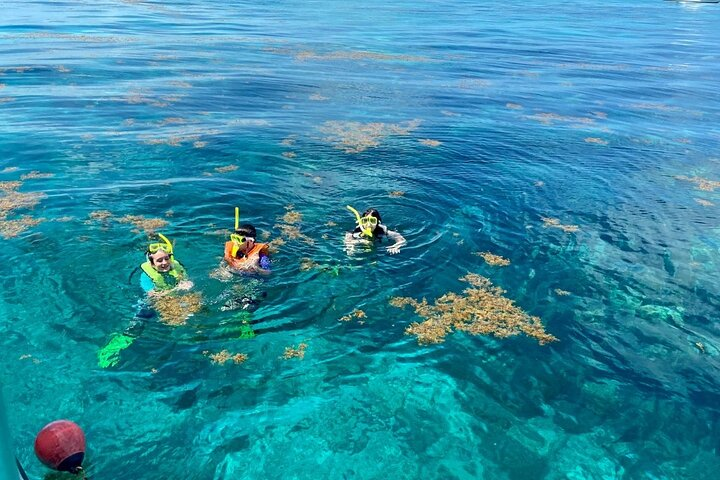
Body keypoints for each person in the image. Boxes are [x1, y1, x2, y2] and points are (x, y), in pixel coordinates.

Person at [97, 233, 192, 368]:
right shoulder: (146, 277)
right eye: (159, 260)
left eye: (166, 259)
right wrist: (176, 290)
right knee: (139, 323)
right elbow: (154, 295)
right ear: (151, 263)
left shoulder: (177, 267)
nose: (164, 263)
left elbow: (185, 280)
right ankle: (113, 347)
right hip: (151, 303)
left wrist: (187, 284)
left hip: (173, 299)